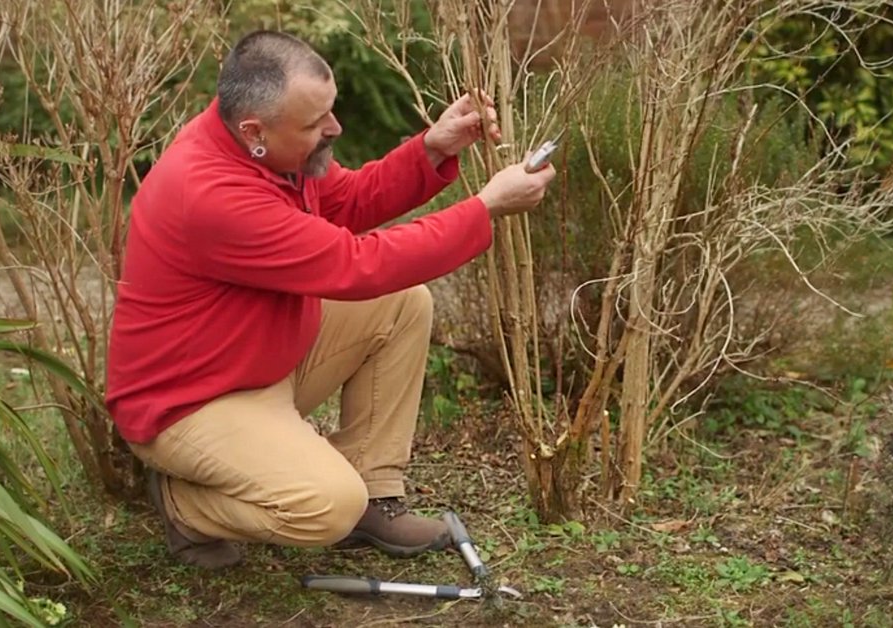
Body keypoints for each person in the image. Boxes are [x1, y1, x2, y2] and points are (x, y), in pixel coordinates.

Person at [104, 30, 556, 569]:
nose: (333, 128)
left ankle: (374, 493)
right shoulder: (210, 193)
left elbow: (345, 200)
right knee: (325, 507)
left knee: (402, 305)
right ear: (255, 131)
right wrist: (484, 209)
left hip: (254, 360)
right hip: (192, 402)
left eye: (330, 111)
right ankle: (185, 506)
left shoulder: (264, 145)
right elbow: (356, 265)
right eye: (316, 123)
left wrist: (435, 147)